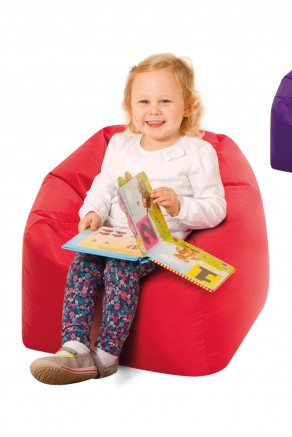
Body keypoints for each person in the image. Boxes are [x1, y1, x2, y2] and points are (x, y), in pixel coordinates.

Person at [29, 53, 227, 385]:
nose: (154, 110)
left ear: (188, 106)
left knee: (120, 269)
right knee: (83, 264)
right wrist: (92, 212)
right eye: (144, 101)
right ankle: (74, 347)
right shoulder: (121, 144)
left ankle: (106, 354)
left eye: (165, 101)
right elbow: (103, 184)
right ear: (130, 107)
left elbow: (216, 207)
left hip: (156, 242)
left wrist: (179, 206)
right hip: (110, 236)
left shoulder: (197, 152)